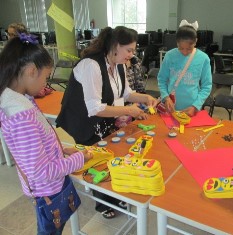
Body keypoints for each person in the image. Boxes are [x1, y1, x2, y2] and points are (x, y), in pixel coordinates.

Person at [56, 26, 157, 219]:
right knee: (95, 159)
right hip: (82, 121)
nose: (132, 54)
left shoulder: (118, 64)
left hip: (100, 119)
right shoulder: (91, 65)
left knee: (108, 154)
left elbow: (126, 93)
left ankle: (111, 194)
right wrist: (129, 110)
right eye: (129, 50)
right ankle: (102, 203)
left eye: (133, 50)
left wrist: (145, 98)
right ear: (115, 46)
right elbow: (94, 108)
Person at [0, 34, 93, 234]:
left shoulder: (19, 99)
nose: (46, 83)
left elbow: (37, 142)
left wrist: (60, 150)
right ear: (31, 71)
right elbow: (41, 171)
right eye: (45, 76)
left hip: (47, 184)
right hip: (46, 190)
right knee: (50, 230)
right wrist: (78, 159)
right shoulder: (20, 115)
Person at [157, 19, 212, 117]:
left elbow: (206, 86)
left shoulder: (203, 58)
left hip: (192, 108)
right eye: (181, 48)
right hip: (170, 107)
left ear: (196, 42)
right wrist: (166, 97)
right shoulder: (170, 56)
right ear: (177, 42)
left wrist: (195, 106)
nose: (185, 52)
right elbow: (161, 80)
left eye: (189, 49)